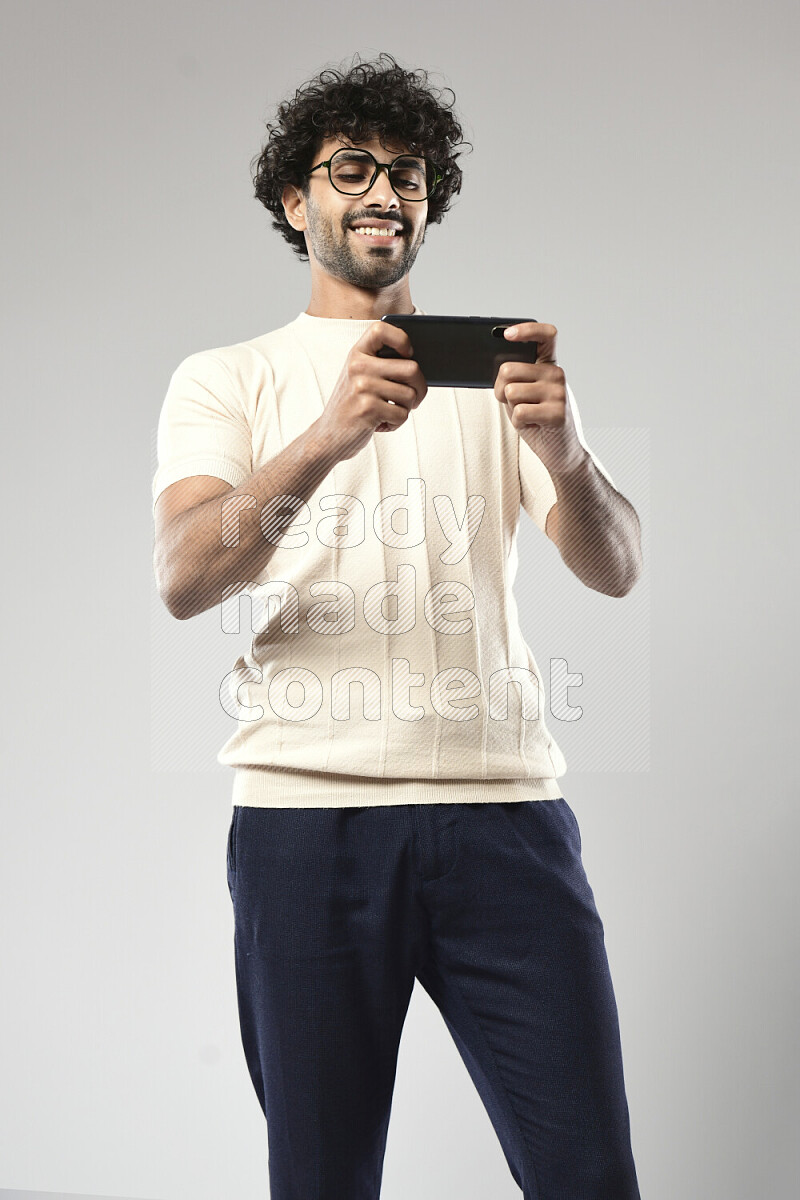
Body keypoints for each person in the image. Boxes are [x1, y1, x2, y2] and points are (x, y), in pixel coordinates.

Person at [151, 51, 644, 1200]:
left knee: (586, 1174)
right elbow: (185, 577)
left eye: (408, 173)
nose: (384, 192)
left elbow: (614, 566)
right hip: (307, 827)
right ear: (295, 200)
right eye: (351, 168)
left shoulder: (498, 377)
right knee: (321, 1181)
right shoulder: (231, 379)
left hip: (506, 821)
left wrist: (561, 449)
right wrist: (324, 438)